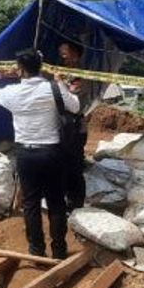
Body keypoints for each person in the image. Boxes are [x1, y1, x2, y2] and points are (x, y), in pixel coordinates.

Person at [0, 49, 79, 258]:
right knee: (56, 202)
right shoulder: (51, 89)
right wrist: (60, 83)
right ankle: (59, 250)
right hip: (51, 152)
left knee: (31, 203)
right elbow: (75, 107)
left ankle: (36, 250)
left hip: (25, 155)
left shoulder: (12, 93)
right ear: (41, 67)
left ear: (20, 69)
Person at [56, 39, 94, 209]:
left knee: (74, 166)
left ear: (76, 54)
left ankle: (76, 204)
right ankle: (63, 200)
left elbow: (71, 99)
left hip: (75, 127)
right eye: (61, 53)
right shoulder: (61, 71)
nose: (63, 56)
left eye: (66, 53)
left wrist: (59, 82)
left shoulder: (80, 75)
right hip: (62, 126)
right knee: (61, 165)